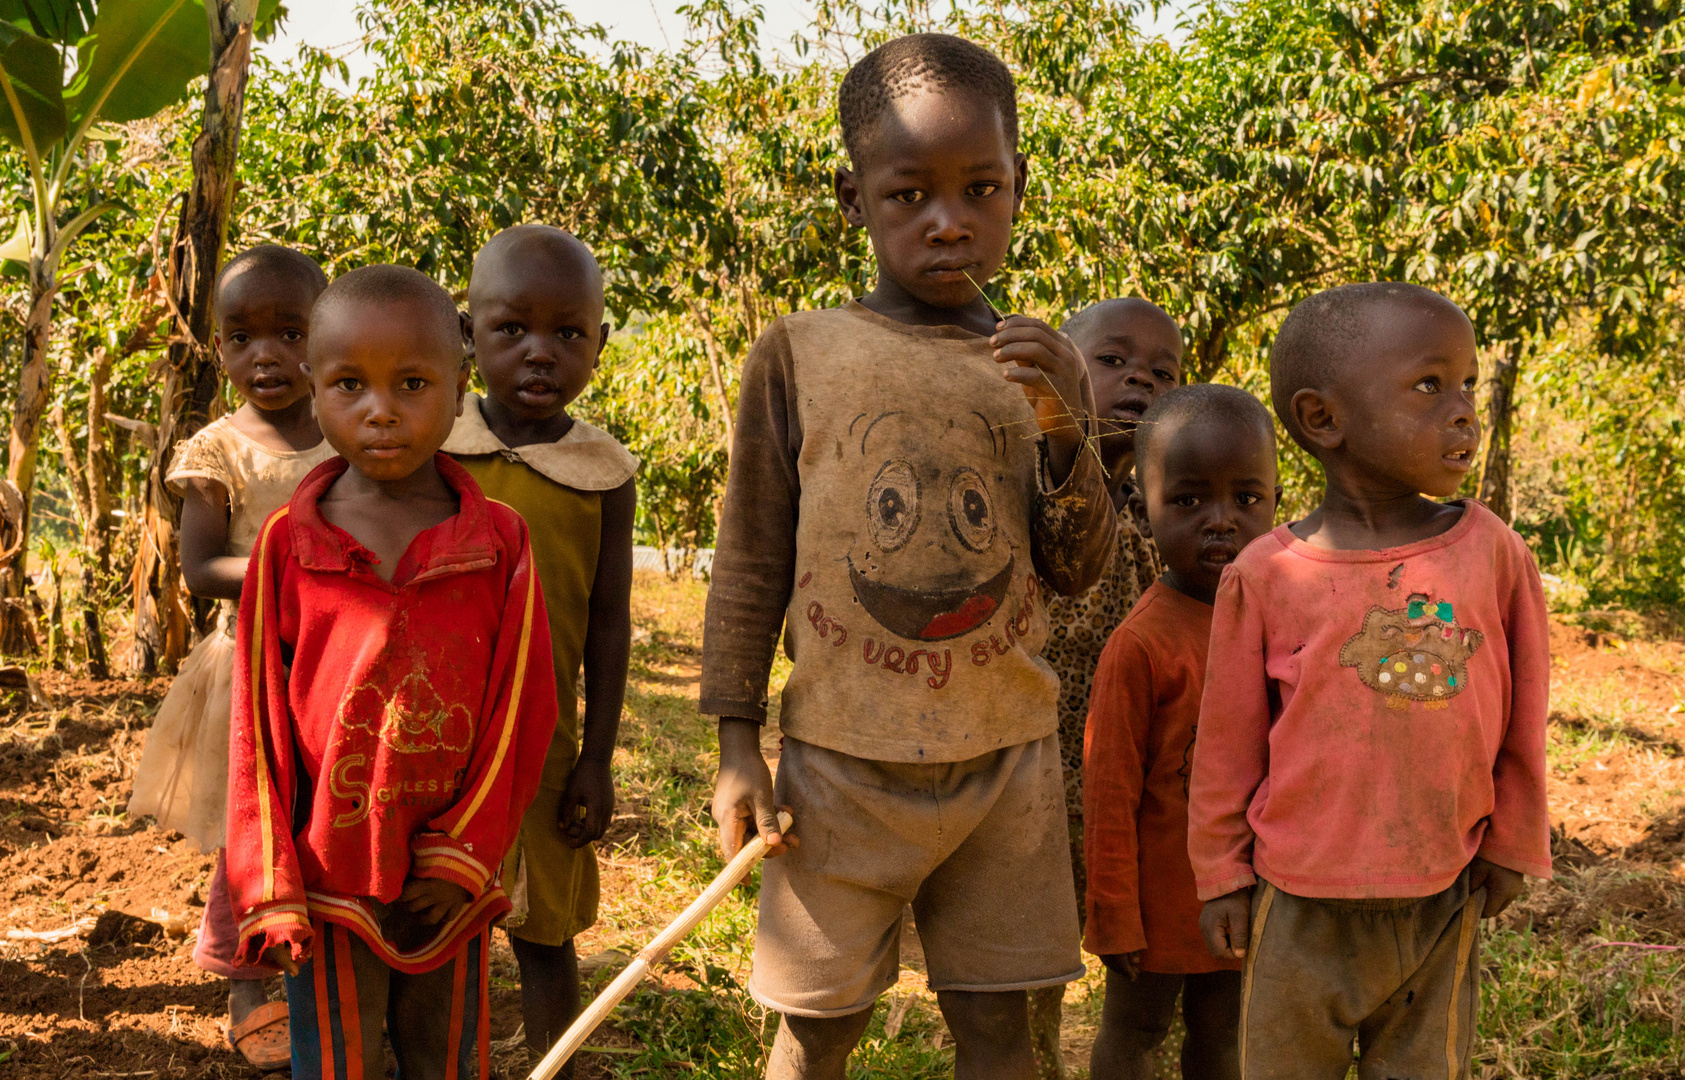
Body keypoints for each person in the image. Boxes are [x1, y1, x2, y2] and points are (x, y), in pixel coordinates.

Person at [703, 33, 1117, 1080]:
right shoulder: (800, 353)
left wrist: (1069, 427)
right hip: (838, 766)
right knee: (816, 1025)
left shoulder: (1036, 364)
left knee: (999, 1030)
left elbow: (1076, 570)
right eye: (907, 195)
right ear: (853, 198)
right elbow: (748, 557)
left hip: (1005, 765)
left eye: (980, 188)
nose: (948, 222)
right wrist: (736, 745)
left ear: (1019, 187)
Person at [1189, 283, 1552, 1078]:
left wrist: (1516, 839)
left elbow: (1525, 711)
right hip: (1296, 904)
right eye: (1429, 385)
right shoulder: (1267, 573)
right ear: (1322, 418)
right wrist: (1219, 874)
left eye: (1465, 383)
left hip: (1442, 890)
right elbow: (1227, 742)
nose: (1463, 409)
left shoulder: (1491, 552)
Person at [224, 265, 559, 1080]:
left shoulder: (498, 542)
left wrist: (464, 853)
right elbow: (258, 726)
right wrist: (269, 880)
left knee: (442, 1054)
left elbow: (523, 707)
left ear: (459, 383)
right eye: (349, 384)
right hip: (328, 868)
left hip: (447, 878)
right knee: (336, 1060)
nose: (380, 410)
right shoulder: (286, 543)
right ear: (313, 388)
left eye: (412, 383)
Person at [127, 244, 336, 1071]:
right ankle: (243, 979)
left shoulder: (352, 430)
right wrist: (298, 566)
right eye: (243, 338)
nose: (267, 356)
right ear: (219, 351)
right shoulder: (218, 449)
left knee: (326, 821)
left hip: (338, 668)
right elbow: (201, 568)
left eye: (291, 333)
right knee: (256, 828)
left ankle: (318, 970)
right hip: (253, 668)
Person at [443, 224, 637, 1063]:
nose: (539, 354)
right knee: (433, 917)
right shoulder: (432, 450)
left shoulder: (604, 471)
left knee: (543, 924)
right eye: (511, 329)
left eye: (568, 333)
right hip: (437, 736)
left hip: (545, 739)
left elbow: (607, 619)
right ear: (466, 332)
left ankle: (553, 1057)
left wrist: (596, 758)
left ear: (599, 341)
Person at [1083, 384, 1280, 1079]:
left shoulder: (1281, 626)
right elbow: (1108, 792)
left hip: (1250, 894)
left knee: (1222, 1037)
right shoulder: (1140, 646)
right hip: (1160, 905)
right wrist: (1112, 913)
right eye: (1189, 501)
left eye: (1246, 499)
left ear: (1278, 506)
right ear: (1141, 512)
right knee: (1133, 1034)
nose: (1220, 522)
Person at [1029, 299, 1180, 1072]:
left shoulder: (1178, 511)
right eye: (1113, 361)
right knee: (1029, 983)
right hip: (1034, 790)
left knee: (1148, 983)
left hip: (1137, 795)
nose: (1139, 381)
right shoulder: (1028, 481)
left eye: (1162, 372)